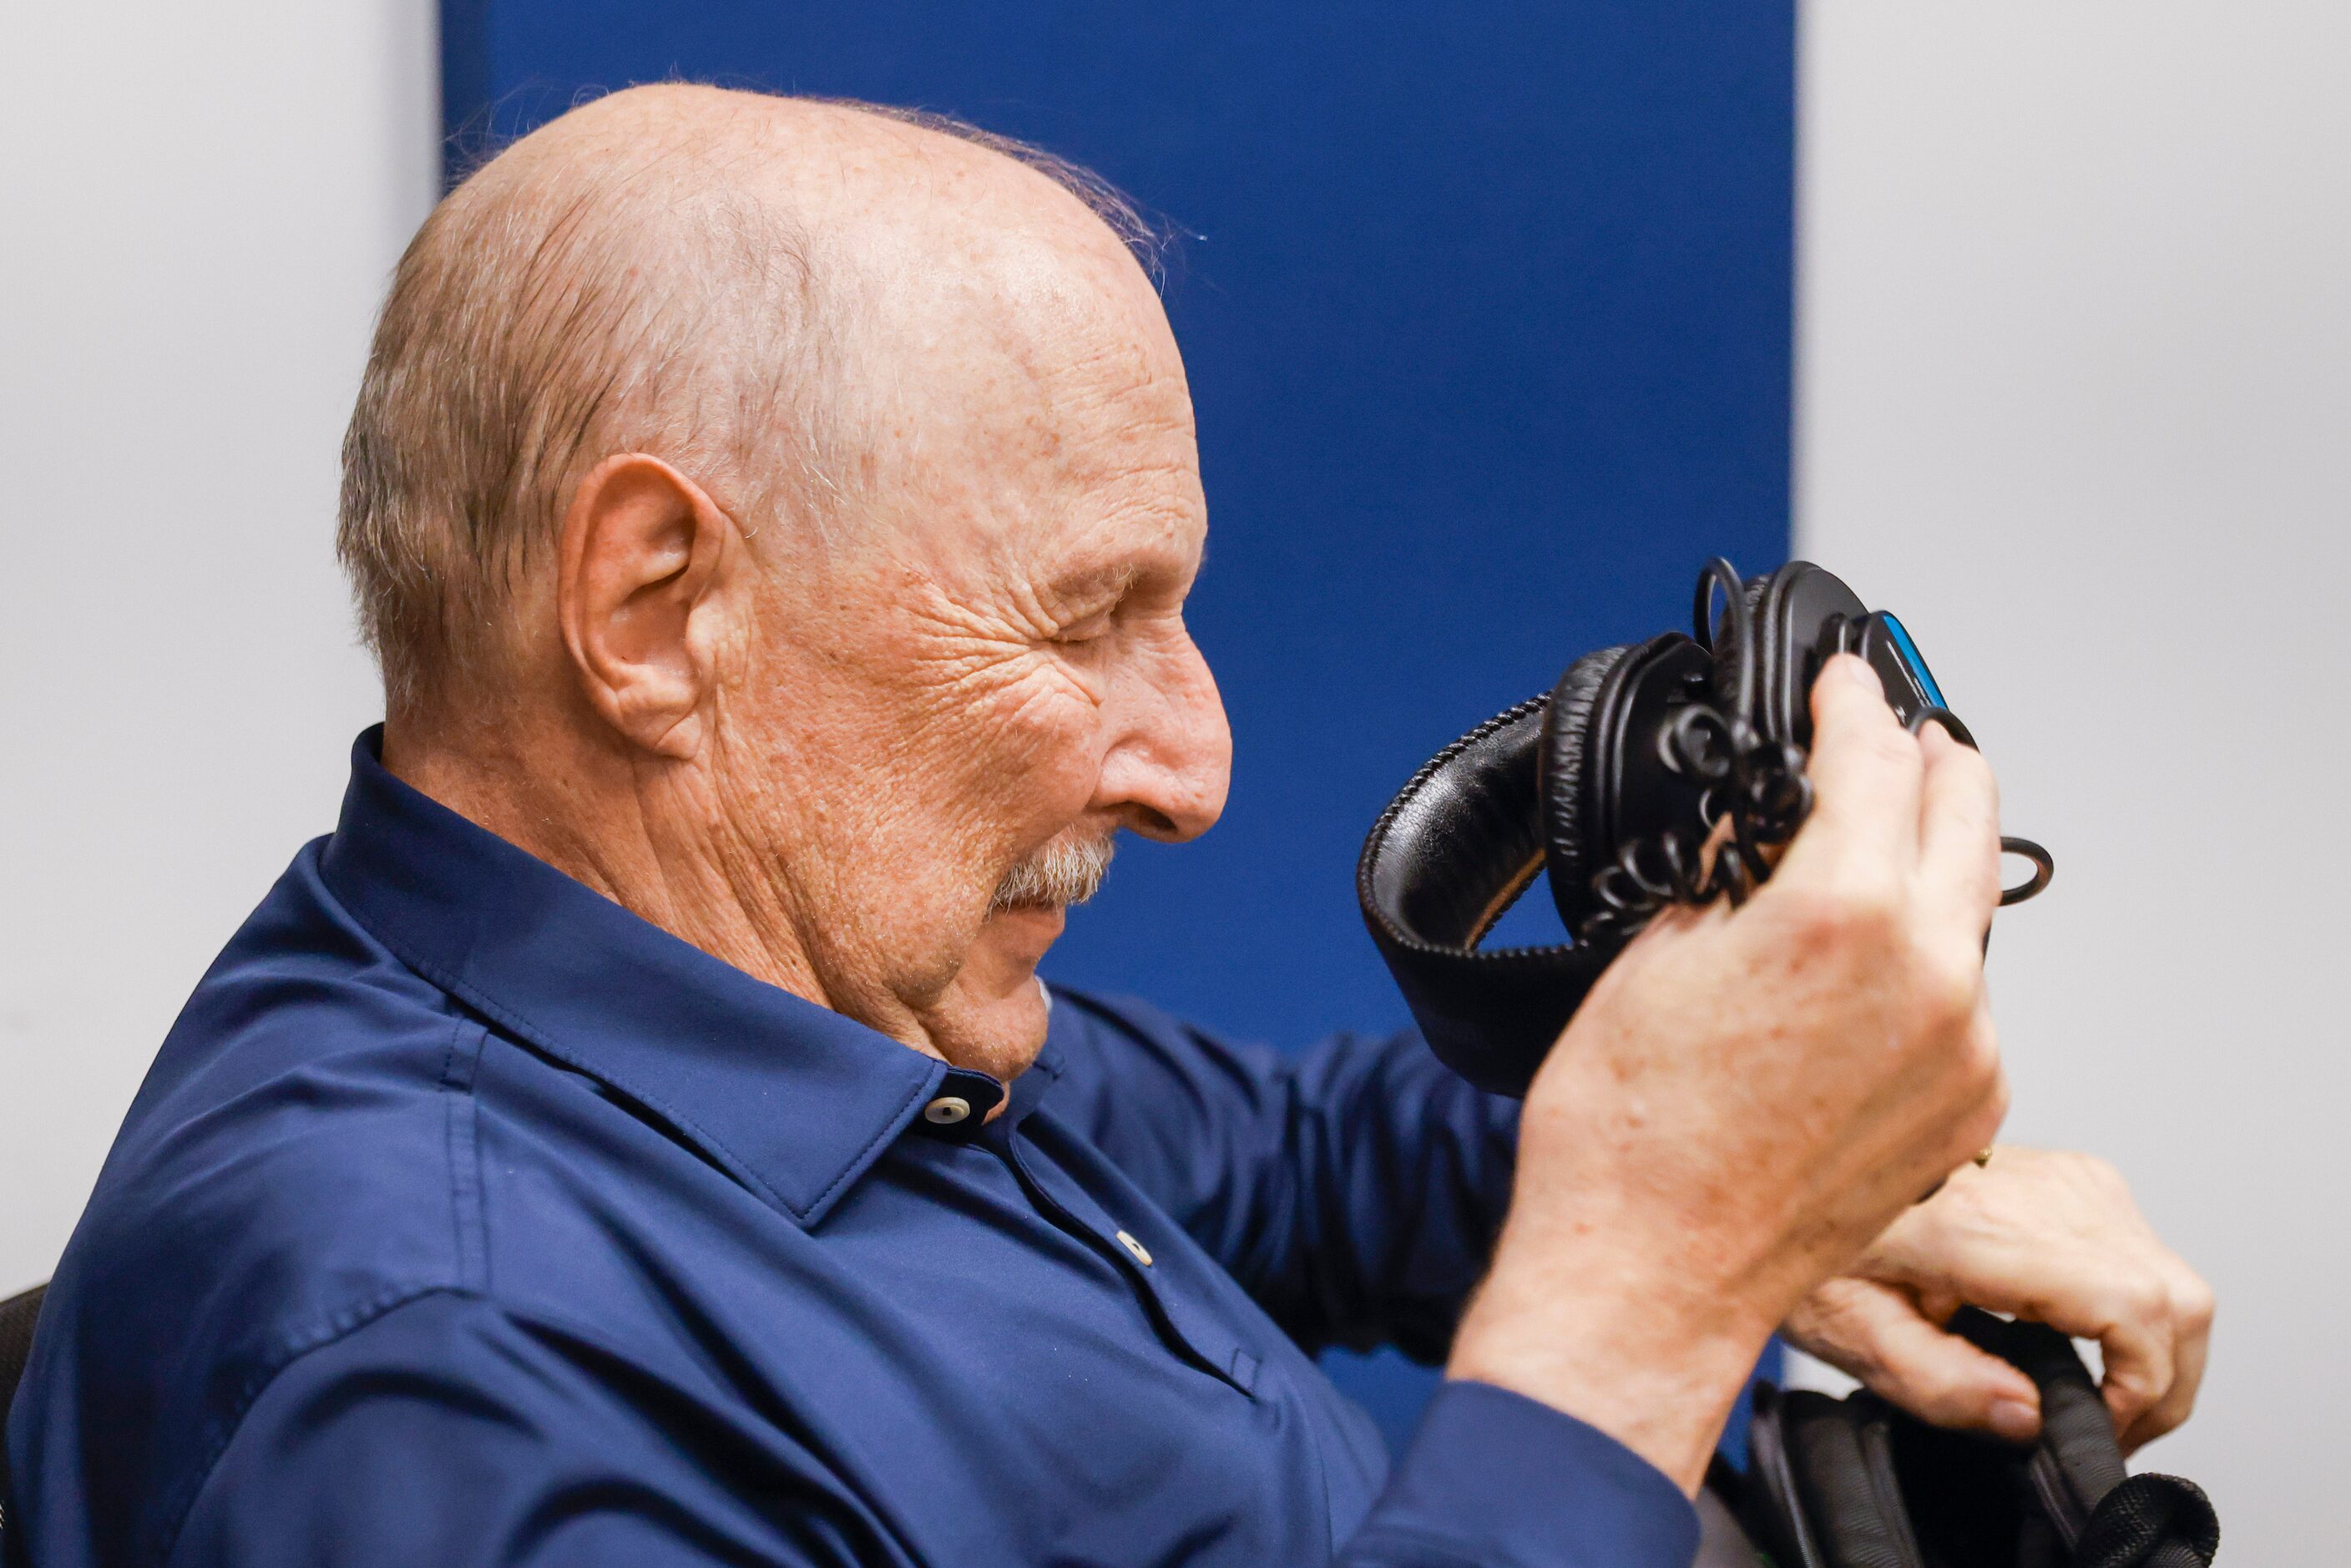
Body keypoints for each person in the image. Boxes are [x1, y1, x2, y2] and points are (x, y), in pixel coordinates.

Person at [3, 85, 2210, 1567]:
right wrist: (1647, 1287)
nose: (1197, 765)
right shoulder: (430, 1375)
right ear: (654, 611)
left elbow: (1306, 1163)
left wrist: (1788, 1188)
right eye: (1093, 620)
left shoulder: (806, 1020)